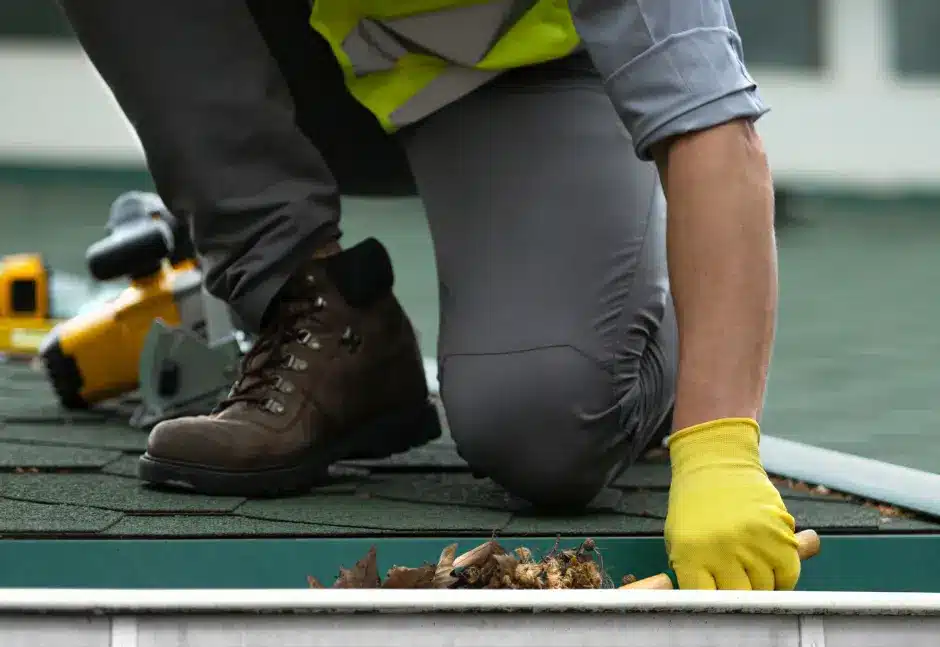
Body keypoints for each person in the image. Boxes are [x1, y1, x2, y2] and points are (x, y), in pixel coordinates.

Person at [59, 0, 801, 591]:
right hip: (309, 59)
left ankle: (646, 324)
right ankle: (311, 310)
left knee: (545, 428)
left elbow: (713, 125)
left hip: (519, 77)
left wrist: (718, 444)